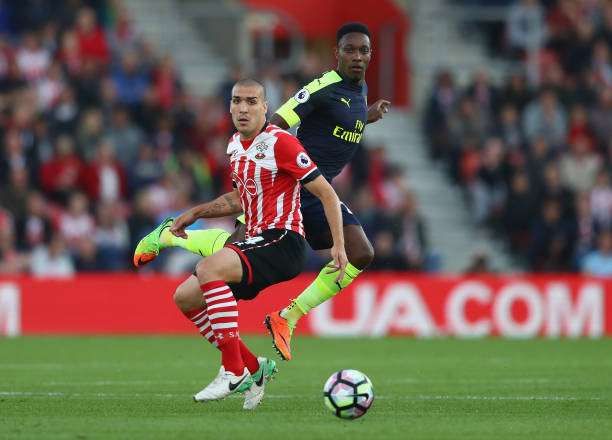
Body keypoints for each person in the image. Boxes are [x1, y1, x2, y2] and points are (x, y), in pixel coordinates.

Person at [134, 22, 389, 361]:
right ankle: (171, 235)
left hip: (317, 190)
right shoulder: (321, 87)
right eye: (350, 50)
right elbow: (277, 123)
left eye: (363, 51)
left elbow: (338, 122)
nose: (357, 56)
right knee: (235, 254)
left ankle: (287, 317)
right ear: (336, 53)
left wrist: (367, 117)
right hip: (291, 186)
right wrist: (264, 168)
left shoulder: (358, 90)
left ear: (370, 55)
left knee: (360, 253)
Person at [135, 79, 347, 408]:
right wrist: (195, 212)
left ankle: (232, 371)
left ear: (266, 108)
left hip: (283, 241)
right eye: (237, 101)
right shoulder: (234, 145)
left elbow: (326, 193)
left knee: (208, 267)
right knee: (186, 298)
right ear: (230, 106)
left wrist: (339, 245)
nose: (243, 108)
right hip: (255, 241)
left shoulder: (281, 143)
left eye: (252, 101)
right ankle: (253, 368)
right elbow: (240, 198)